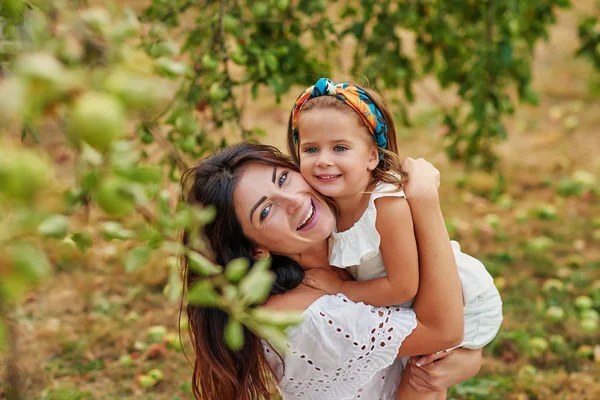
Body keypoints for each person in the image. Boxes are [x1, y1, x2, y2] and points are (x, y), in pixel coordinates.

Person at [181, 142, 481, 400]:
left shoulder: (352, 255)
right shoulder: (307, 318)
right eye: (266, 211)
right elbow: (442, 331)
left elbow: (432, 349)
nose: (294, 202)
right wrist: (426, 202)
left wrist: (466, 358)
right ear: (256, 250)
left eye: (283, 178)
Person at [287, 76, 502, 367]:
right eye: (311, 149)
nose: (323, 160)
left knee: (421, 379)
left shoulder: (386, 205)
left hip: (463, 302)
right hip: (408, 306)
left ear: (372, 156)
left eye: (339, 148)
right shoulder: (324, 204)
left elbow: (402, 287)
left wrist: (339, 290)